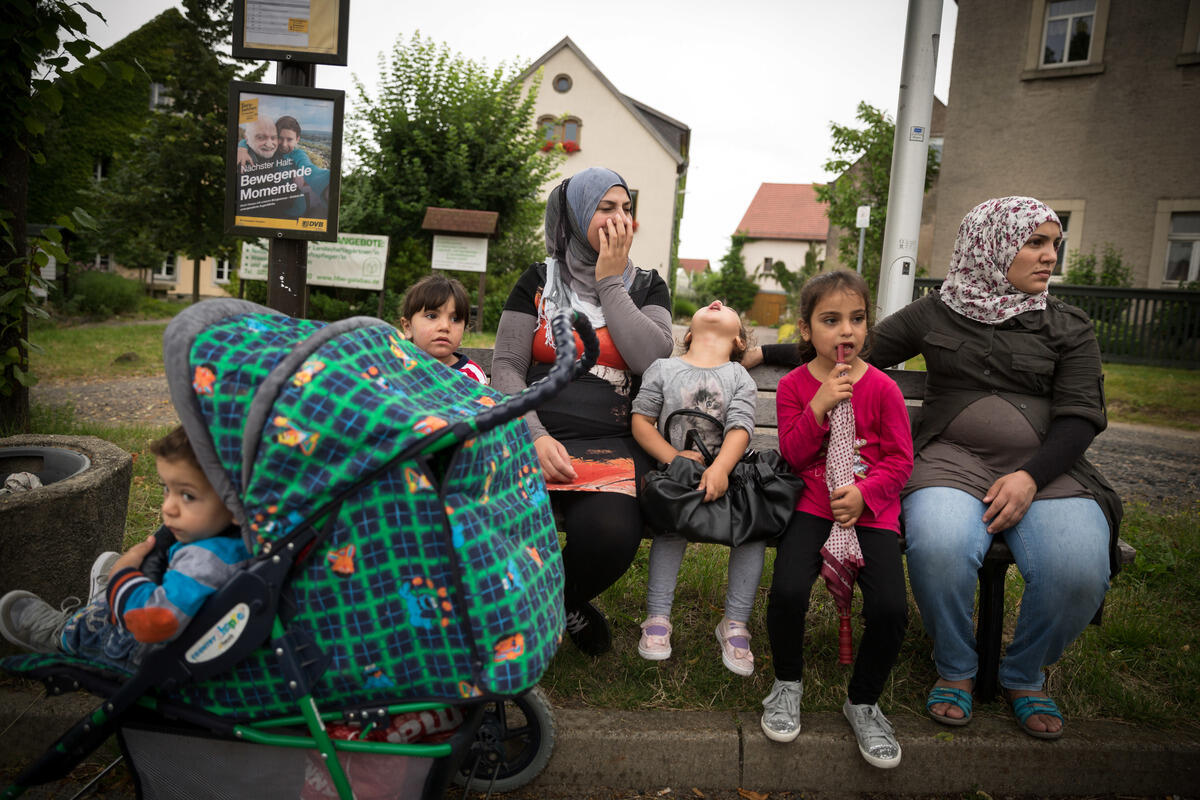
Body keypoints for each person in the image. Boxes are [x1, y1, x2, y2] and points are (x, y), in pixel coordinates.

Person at [748, 197, 1122, 741]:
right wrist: (766, 353)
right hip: (951, 461)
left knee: (1079, 569)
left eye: (1054, 244)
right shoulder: (940, 309)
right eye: (1035, 242)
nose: (1050, 256)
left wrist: (1031, 477)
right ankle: (957, 668)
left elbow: (1082, 417)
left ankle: (1024, 674)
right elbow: (852, 344)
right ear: (990, 246)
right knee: (940, 545)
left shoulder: (1069, 325)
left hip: (1047, 469)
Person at [490, 166, 673, 656]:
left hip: (611, 440)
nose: (621, 220)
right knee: (495, 520)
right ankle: (539, 612)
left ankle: (546, 606)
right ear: (574, 217)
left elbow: (652, 361)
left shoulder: (648, 285)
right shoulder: (536, 280)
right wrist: (533, 433)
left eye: (628, 209)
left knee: (611, 535)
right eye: (606, 208)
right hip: (533, 431)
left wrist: (611, 284)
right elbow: (506, 365)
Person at [758, 270, 913, 768]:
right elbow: (794, 455)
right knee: (785, 592)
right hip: (812, 506)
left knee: (891, 609)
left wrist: (865, 496)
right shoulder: (793, 386)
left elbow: (900, 461)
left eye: (857, 319)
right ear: (805, 330)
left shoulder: (884, 389)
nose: (846, 331)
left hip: (872, 513)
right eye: (830, 320)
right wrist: (820, 405)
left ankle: (863, 701)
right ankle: (787, 682)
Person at [0, 426, 250, 671]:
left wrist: (123, 574)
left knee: (100, 620)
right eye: (167, 489)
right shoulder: (241, 542)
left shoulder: (203, 562)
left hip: (143, 652)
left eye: (188, 496)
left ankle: (64, 635)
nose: (168, 508)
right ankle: (109, 597)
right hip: (193, 627)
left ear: (236, 506)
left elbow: (154, 622)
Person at [630, 300, 760, 675]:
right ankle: (657, 618)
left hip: (726, 476)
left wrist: (720, 469)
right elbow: (642, 421)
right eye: (708, 305)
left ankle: (734, 623)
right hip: (676, 478)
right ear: (688, 334)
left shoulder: (739, 377)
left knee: (752, 530)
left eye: (726, 307)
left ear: (737, 339)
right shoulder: (663, 368)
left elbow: (740, 428)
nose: (717, 302)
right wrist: (674, 459)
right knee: (672, 524)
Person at [400, 274, 487, 384]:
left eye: (455, 319)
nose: (445, 326)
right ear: (408, 327)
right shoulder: (394, 368)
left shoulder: (472, 377)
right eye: (432, 316)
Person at [237, 115, 331, 217]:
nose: (284, 144)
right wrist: (242, 148)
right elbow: (250, 140)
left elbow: (309, 169)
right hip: (272, 208)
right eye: (280, 138)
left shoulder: (298, 154)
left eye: (289, 139)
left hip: (294, 211)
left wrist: (327, 185)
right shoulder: (271, 150)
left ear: (297, 139)